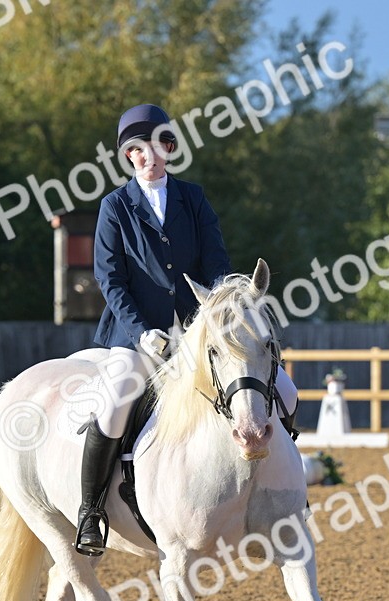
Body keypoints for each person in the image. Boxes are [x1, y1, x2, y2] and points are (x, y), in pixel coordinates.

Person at [72, 103, 299, 557]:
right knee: (117, 401)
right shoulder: (115, 207)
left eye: (158, 145)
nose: (149, 156)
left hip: (199, 336)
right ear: (129, 157)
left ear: (169, 149)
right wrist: (140, 332)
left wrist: (222, 315)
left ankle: (282, 497)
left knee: (286, 392)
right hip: (136, 335)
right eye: (138, 150)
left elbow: (216, 263)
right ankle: (91, 511)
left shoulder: (192, 198)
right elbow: (110, 279)